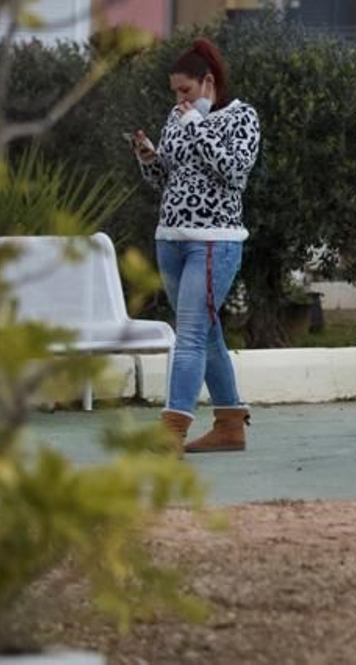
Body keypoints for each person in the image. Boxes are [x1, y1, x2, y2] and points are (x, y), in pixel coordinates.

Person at [133, 38, 261, 455]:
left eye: (185, 90)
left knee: (188, 334)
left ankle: (170, 432)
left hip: (214, 241)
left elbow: (234, 171)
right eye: (175, 92)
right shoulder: (178, 116)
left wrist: (197, 127)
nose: (179, 99)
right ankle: (229, 425)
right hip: (171, 238)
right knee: (205, 335)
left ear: (208, 82)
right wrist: (150, 158)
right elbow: (168, 179)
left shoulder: (242, 117)